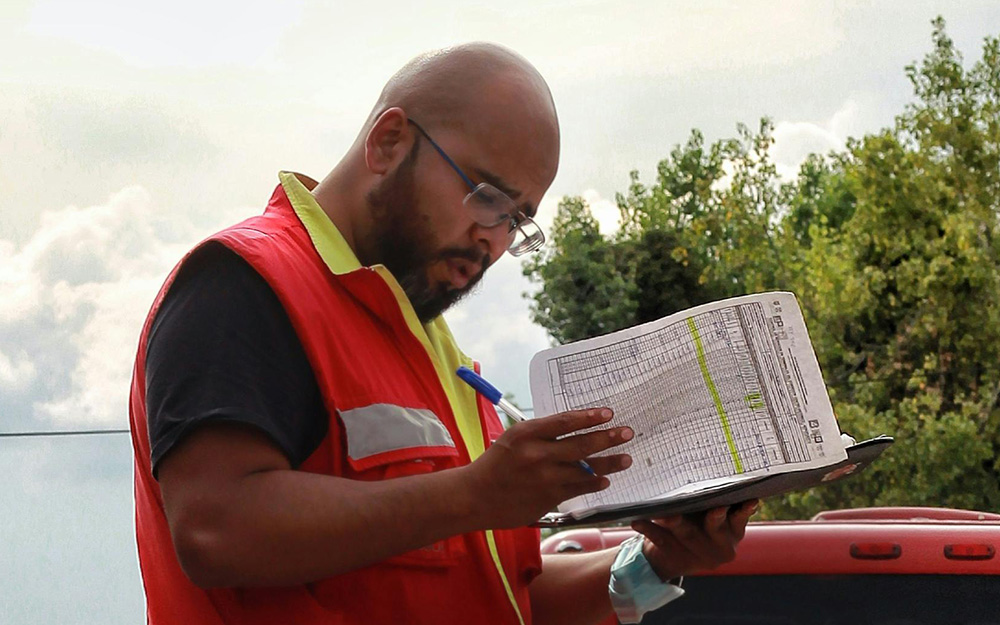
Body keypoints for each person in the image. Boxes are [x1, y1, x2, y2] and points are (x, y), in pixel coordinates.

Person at [128, 43, 758, 625]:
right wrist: (473, 495)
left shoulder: (432, 350)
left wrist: (653, 564)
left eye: (518, 222)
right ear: (389, 142)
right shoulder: (243, 281)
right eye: (488, 198)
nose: (495, 239)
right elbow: (217, 531)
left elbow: (502, 598)